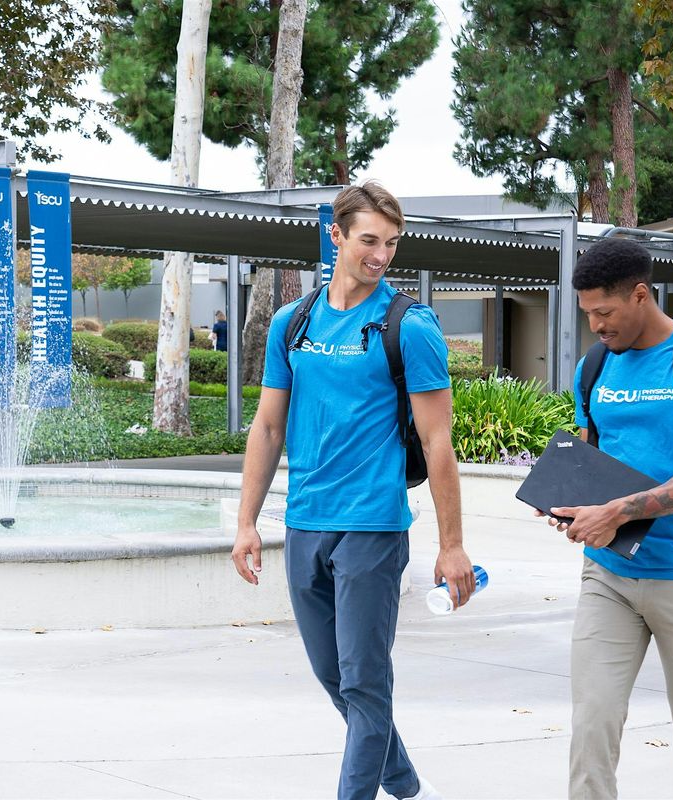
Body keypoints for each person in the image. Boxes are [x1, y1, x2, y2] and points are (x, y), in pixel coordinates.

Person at [231, 181, 473, 800]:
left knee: (365, 681)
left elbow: (438, 442)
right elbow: (268, 426)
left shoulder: (409, 326)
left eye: (391, 243)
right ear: (335, 235)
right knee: (332, 675)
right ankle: (404, 780)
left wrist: (451, 545)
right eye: (369, 240)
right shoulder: (292, 322)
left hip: (373, 525)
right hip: (305, 522)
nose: (381, 255)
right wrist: (247, 521)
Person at [539, 238, 673, 800]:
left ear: (640, 295)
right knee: (592, 723)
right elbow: (591, 457)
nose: (595, 326)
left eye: (604, 312)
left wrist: (618, 511)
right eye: (587, 314)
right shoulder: (594, 366)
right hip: (609, 575)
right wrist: (568, 502)